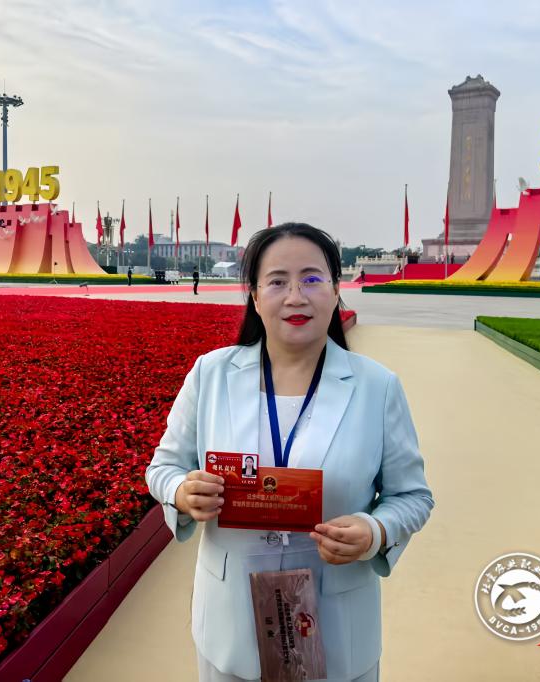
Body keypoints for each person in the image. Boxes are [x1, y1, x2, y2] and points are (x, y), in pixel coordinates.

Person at [146, 222, 433, 682]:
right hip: (229, 623)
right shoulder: (210, 375)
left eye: (312, 279)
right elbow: (163, 467)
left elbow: (413, 496)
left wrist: (376, 531)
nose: (296, 297)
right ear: (255, 297)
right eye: (277, 281)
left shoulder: (377, 386)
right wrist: (181, 491)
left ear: (336, 291)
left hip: (339, 630)